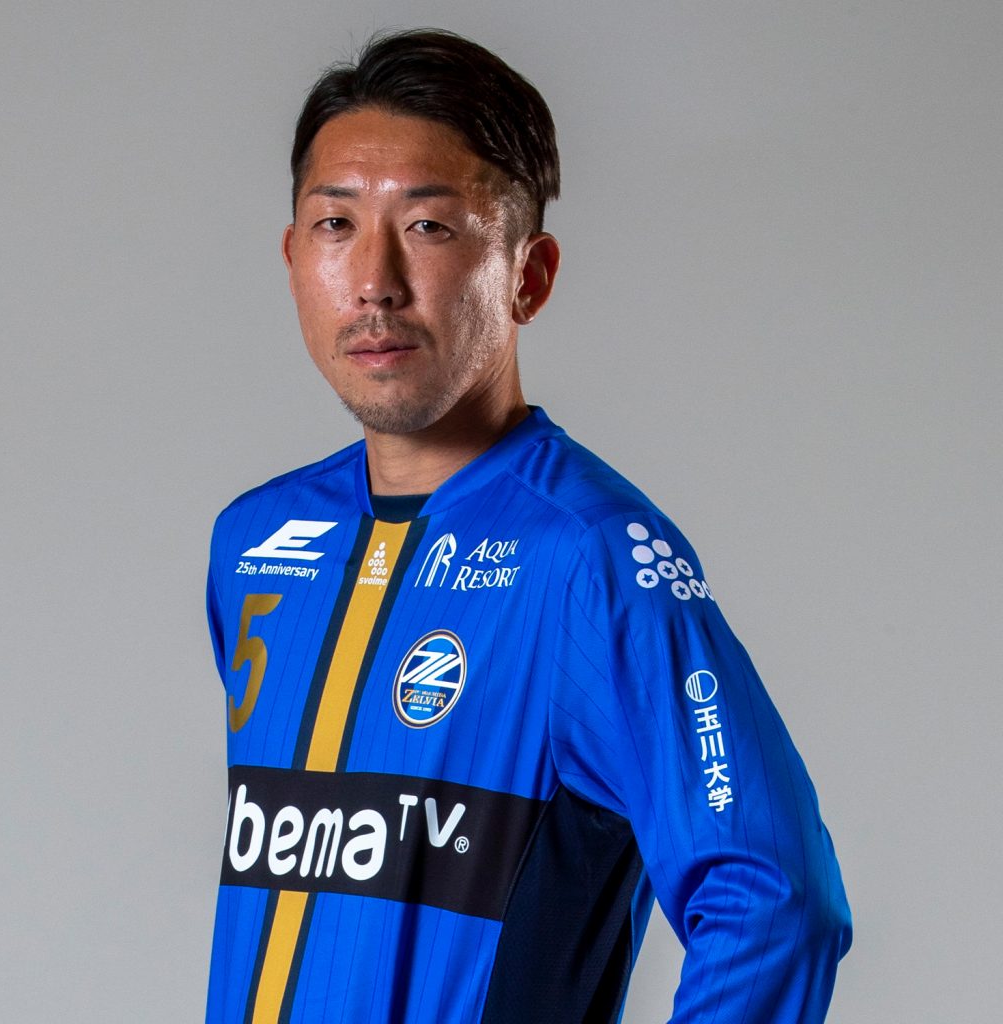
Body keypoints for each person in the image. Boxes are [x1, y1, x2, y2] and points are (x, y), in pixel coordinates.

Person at [204, 28, 851, 1024]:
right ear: (293, 256)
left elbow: (776, 902)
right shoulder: (257, 540)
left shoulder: (590, 559)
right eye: (336, 223)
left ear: (528, 275)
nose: (373, 279)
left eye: (428, 226)